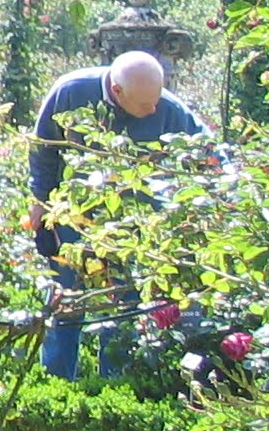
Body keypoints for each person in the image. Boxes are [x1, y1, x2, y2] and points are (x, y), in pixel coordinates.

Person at [26, 49, 208, 381]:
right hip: (75, 216)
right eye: (145, 105)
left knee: (127, 306)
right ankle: (56, 380)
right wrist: (41, 202)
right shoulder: (71, 92)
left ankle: (116, 382)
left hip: (134, 226)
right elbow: (43, 151)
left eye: (156, 100)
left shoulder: (167, 107)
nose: (154, 110)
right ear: (118, 91)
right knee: (66, 300)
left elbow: (208, 151)